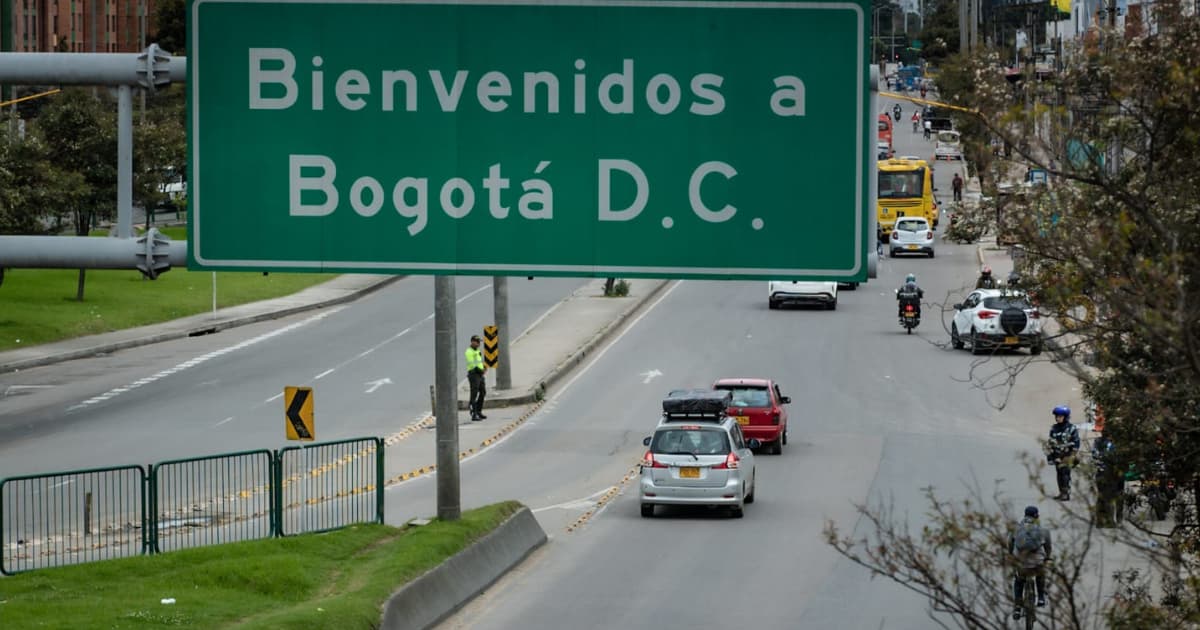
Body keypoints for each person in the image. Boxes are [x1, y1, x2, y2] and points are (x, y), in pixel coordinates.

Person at [1010, 505, 1051, 619]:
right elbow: (1048, 547)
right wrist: (1047, 557)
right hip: (1036, 564)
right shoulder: (1043, 530)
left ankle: (1017, 607)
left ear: (1025, 515)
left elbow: (1010, 543)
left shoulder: (1017, 528)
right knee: (1040, 573)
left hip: (1021, 563)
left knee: (1019, 580)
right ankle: (1041, 597)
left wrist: (1012, 556)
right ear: (1036, 516)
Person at [1092, 432, 1125, 527]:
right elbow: (1095, 455)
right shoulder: (1099, 442)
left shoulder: (1122, 442)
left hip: (1118, 472)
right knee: (1106, 496)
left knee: (1118, 494)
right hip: (1105, 472)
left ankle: (1117, 518)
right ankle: (1105, 520)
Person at [1047, 406, 1080, 500]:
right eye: (1057, 416)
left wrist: (1073, 455)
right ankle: (1061, 492)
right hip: (1057, 455)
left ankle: (1066, 493)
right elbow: (1050, 442)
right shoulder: (1054, 428)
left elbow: (1076, 442)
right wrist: (1051, 456)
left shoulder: (1071, 428)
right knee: (1059, 473)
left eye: (1060, 416)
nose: (1058, 418)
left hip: (1067, 454)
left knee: (1065, 472)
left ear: (1065, 417)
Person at [465, 335, 488, 421]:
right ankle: (473, 413)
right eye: (477, 342)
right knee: (474, 394)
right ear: (472, 342)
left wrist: (483, 367)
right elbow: (472, 365)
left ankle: (478, 411)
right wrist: (481, 370)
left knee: (483, 392)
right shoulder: (469, 352)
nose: (479, 344)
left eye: (479, 342)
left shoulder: (477, 351)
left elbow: (478, 362)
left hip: (480, 374)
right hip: (474, 374)